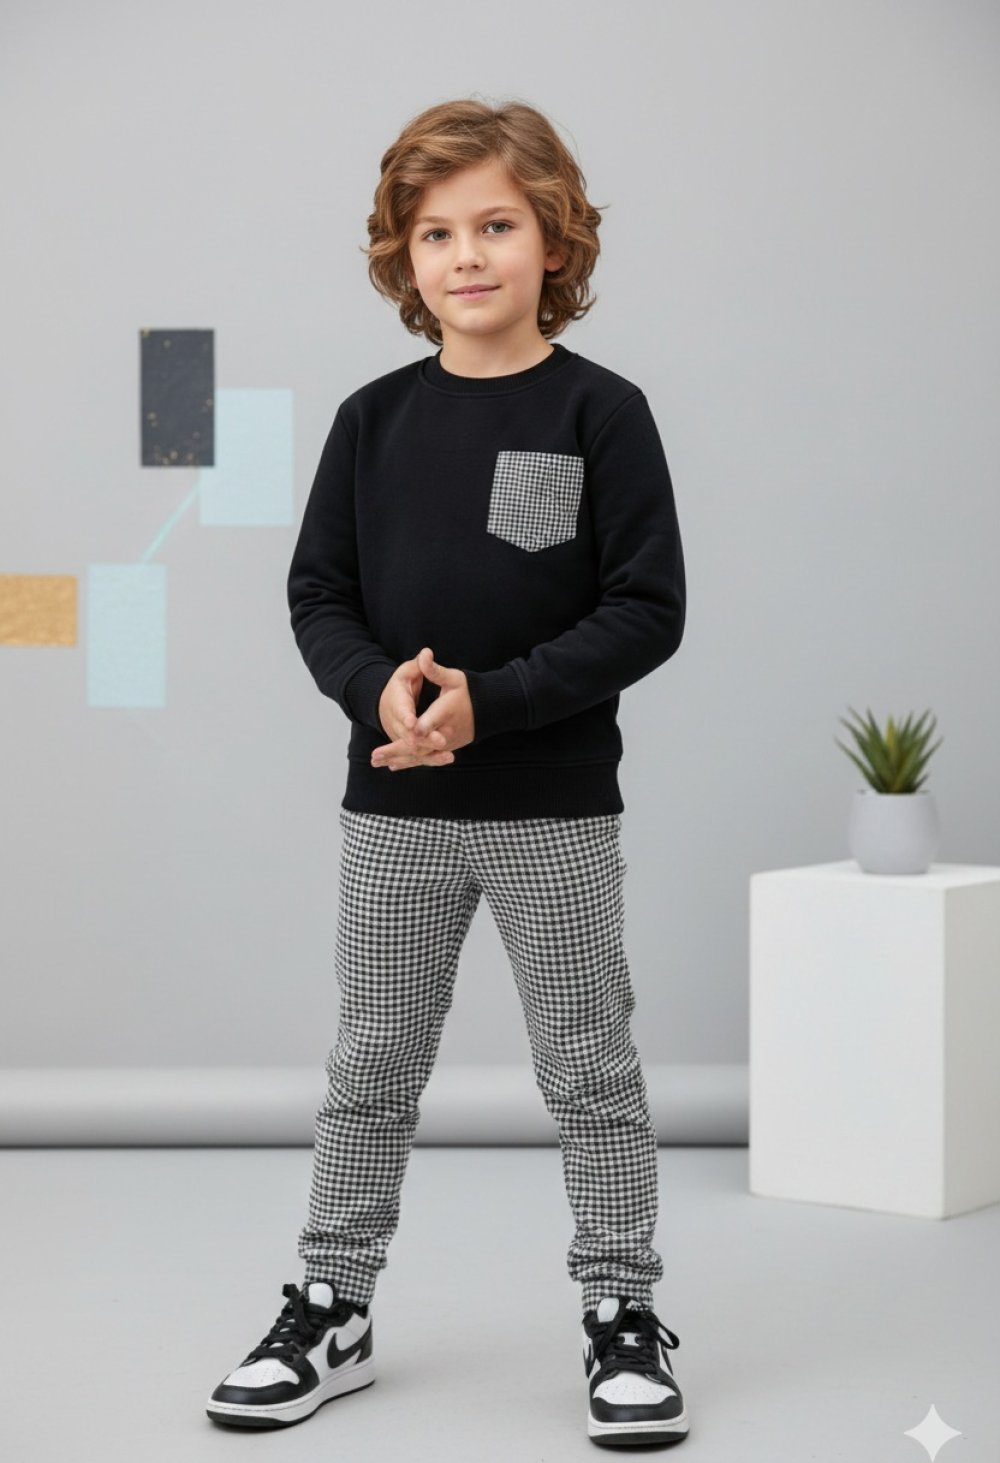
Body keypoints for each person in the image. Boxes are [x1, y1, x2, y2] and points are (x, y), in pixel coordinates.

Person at [206, 96, 688, 1447]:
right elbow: (318, 594)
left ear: (554, 241)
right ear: (403, 257)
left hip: (552, 812)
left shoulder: (600, 412)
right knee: (371, 1062)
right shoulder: (371, 422)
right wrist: (380, 691)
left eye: (496, 226)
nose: (466, 255)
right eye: (436, 233)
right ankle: (333, 1307)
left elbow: (644, 608)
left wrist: (494, 706)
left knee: (590, 1066)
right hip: (396, 809)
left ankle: (623, 1312)